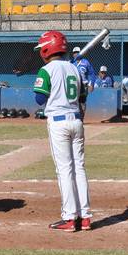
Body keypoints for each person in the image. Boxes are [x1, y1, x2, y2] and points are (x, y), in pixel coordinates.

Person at [33, 30, 91, 232]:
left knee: (65, 170)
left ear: (48, 48)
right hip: (76, 120)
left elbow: (39, 99)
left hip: (58, 122)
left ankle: (69, 217)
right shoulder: (75, 69)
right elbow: (83, 97)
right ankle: (84, 217)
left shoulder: (46, 70)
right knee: (79, 169)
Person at [71, 46, 94, 120]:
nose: (76, 54)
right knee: (73, 102)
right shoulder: (71, 63)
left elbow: (92, 73)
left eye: (78, 52)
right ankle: (73, 118)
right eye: (74, 53)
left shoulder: (85, 62)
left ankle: (81, 119)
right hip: (73, 85)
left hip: (84, 85)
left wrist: (91, 84)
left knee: (82, 102)